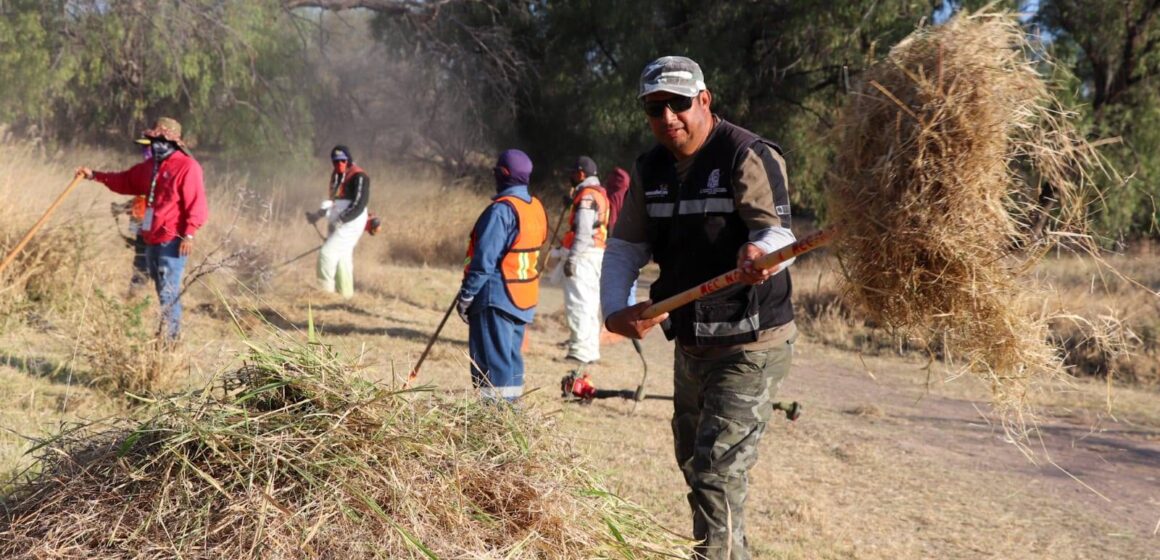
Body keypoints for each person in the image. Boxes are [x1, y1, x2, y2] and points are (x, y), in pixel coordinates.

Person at [600, 56, 798, 560]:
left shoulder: (745, 155)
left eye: (679, 104)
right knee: (693, 461)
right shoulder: (651, 169)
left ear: (704, 101)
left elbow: (775, 231)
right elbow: (626, 247)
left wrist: (761, 254)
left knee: (718, 471)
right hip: (691, 341)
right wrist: (613, 308)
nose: (668, 117)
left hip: (750, 343)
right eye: (654, 107)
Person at [78, 117, 208, 342]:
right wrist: (95, 176)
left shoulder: (188, 167)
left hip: (173, 240)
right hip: (151, 237)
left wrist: (189, 234)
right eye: (154, 140)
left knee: (168, 290)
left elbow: (196, 204)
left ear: (174, 143)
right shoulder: (150, 167)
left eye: (162, 140)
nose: (157, 145)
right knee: (160, 289)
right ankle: (165, 334)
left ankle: (170, 340)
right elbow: (125, 181)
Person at [456, 149, 547, 401]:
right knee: (511, 363)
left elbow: (484, 261)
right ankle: (512, 418)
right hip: (523, 298)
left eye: (496, 172)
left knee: (491, 368)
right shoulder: (536, 208)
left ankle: (494, 422)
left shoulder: (501, 211)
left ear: (503, 175)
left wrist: (467, 295)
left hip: (496, 298)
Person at [560, 156, 609, 364]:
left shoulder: (587, 197)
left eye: (572, 172)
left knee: (578, 304)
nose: (570, 176)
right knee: (589, 305)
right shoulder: (597, 193)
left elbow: (582, 232)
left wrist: (572, 258)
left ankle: (578, 353)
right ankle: (590, 351)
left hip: (583, 254)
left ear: (581, 174)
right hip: (595, 253)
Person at [307, 145, 369, 299]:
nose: (339, 164)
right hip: (337, 220)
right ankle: (345, 297)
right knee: (342, 258)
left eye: (342, 160)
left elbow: (359, 205)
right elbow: (333, 202)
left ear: (348, 160)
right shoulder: (335, 176)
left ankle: (325, 295)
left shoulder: (359, 176)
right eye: (336, 161)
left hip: (352, 221)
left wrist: (342, 220)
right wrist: (317, 215)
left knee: (327, 254)